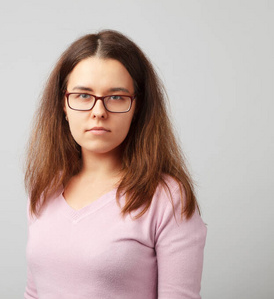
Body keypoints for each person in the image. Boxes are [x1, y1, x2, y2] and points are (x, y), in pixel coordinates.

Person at [24, 30, 207, 299]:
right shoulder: (44, 189)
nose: (99, 111)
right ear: (63, 104)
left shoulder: (168, 199)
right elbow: (33, 293)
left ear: (137, 107)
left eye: (116, 97)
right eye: (83, 96)